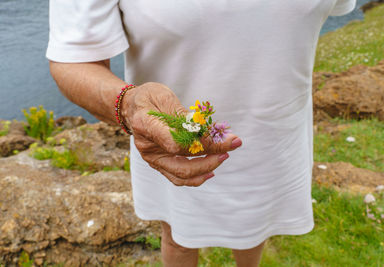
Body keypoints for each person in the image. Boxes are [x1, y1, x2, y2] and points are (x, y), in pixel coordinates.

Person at [46, 0, 357, 266]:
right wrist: (129, 106)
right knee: (179, 234)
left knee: (255, 227)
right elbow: (74, 58)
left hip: (275, 132)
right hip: (172, 135)